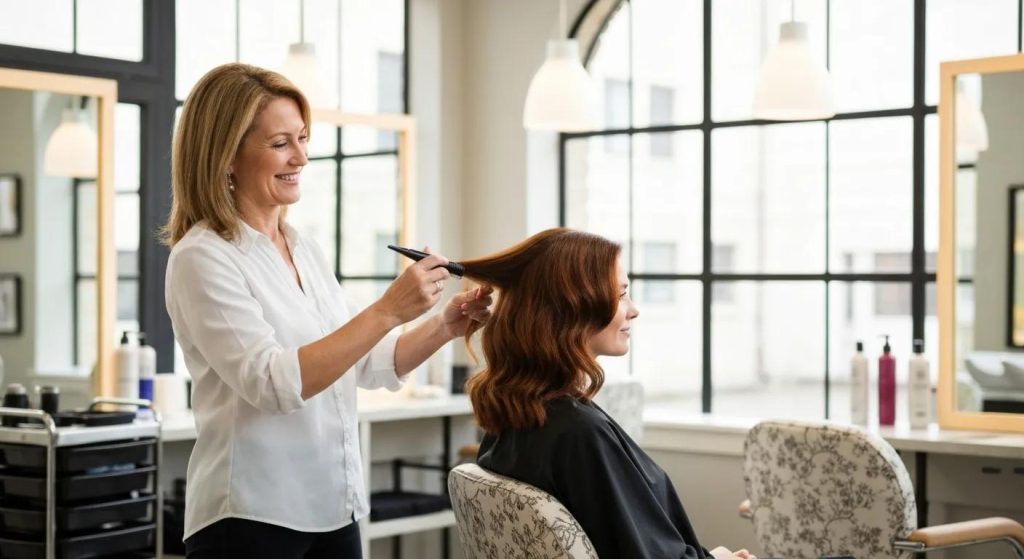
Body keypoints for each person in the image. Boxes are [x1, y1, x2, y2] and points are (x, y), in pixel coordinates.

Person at [162, 63, 492, 559]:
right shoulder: (203, 257)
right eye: (280, 143)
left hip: (334, 506)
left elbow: (366, 362)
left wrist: (444, 326)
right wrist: (388, 309)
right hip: (252, 515)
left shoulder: (303, 248)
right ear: (226, 156)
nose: (301, 157)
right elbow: (272, 383)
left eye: (302, 138)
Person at [458, 228, 754, 559]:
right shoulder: (578, 434)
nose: (633, 309)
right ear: (571, 306)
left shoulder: (515, 417)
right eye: (620, 294)